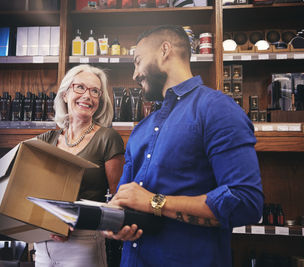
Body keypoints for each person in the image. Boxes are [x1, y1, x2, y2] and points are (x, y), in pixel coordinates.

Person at [103, 25, 264, 267]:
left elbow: (245, 202)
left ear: (164, 50)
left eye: (137, 61)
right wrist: (115, 223)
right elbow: (125, 201)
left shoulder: (216, 108)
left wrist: (154, 202)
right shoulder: (141, 129)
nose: (135, 74)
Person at [34, 64, 125, 267]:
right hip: (43, 242)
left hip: (84, 242)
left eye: (95, 91)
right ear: (65, 94)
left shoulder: (107, 138)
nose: (88, 96)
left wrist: (79, 220)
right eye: (80, 88)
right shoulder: (46, 139)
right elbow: (31, 190)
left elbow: (116, 199)